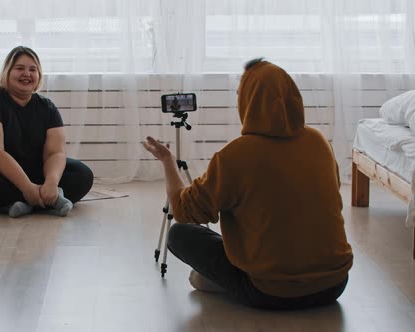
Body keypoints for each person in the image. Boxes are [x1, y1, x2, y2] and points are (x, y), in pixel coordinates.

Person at [142, 58, 353, 310]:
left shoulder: (236, 155)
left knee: (178, 234)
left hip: (270, 291)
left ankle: (225, 283)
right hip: (335, 284)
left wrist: (167, 160)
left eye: (240, 94)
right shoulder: (319, 141)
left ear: (249, 101)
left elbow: (183, 211)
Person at [0, 46, 94, 218]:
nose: (27, 74)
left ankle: (21, 202)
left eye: (33, 69)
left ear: (39, 75)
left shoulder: (47, 107)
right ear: (7, 72)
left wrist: (51, 183)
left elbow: (55, 153)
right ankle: (41, 200)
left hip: (30, 169)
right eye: (20, 68)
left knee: (82, 174)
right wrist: (26, 187)